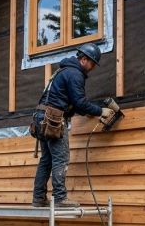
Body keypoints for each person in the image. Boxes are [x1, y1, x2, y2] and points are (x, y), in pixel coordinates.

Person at [32, 43, 114, 208]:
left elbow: (75, 103)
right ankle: (60, 198)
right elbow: (80, 103)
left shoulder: (62, 71)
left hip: (40, 118)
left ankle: (39, 198)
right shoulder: (75, 73)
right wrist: (100, 111)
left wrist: (88, 110)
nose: (92, 68)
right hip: (53, 120)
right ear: (84, 59)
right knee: (61, 158)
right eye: (92, 64)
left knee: (46, 160)